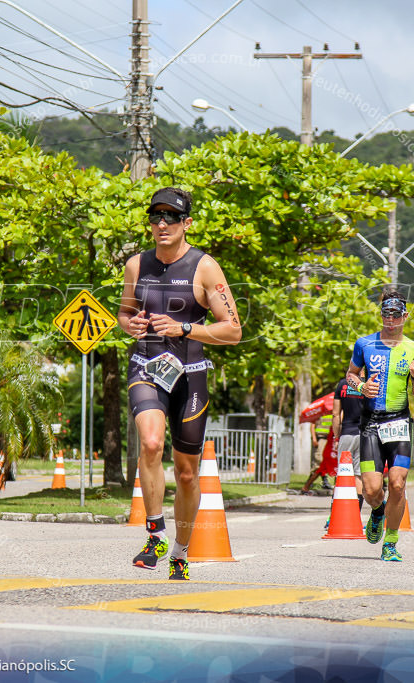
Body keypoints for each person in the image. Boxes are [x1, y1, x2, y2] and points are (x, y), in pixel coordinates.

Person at [118, 187, 241, 580]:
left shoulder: (205, 268)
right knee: (151, 442)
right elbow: (124, 314)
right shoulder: (136, 265)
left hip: (191, 375)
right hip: (146, 366)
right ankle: (154, 533)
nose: (162, 224)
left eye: (171, 217)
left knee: (187, 473)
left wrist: (186, 327)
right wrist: (130, 324)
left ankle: (180, 553)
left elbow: (233, 330)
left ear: (187, 223)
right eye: (155, 217)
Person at [345, 290, 414, 562]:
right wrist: (362, 386)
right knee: (370, 490)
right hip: (370, 423)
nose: (390, 319)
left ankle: (390, 542)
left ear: (405, 316)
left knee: (398, 483)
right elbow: (350, 376)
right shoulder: (364, 344)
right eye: (386, 314)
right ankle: (378, 511)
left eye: (396, 315)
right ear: (380, 315)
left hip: (399, 421)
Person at [329, 375, 366, 510]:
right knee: (358, 475)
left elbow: (335, 414)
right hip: (364, 435)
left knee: (342, 474)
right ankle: (355, 514)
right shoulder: (369, 384)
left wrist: (337, 435)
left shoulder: (342, 384)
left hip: (347, 433)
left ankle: (334, 516)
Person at [302, 408, 335, 493]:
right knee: (319, 463)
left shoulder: (334, 413)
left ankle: (322, 482)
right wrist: (314, 439)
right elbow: (312, 425)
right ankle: (309, 485)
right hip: (320, 439)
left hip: (330, 441)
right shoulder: (320, 412)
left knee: (325, 465)